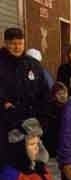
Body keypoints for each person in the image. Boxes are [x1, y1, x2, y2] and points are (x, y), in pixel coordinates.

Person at [0, 27, 50, 167]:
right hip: (6, 125)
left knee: (31, 164)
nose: (17, 47)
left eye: (20, 43)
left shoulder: (32, 64)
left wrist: (44, 119)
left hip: (31, 124)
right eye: (13, 43)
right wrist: (4, 104)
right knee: (9, 165)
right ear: (6, 43)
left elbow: (44, 93)